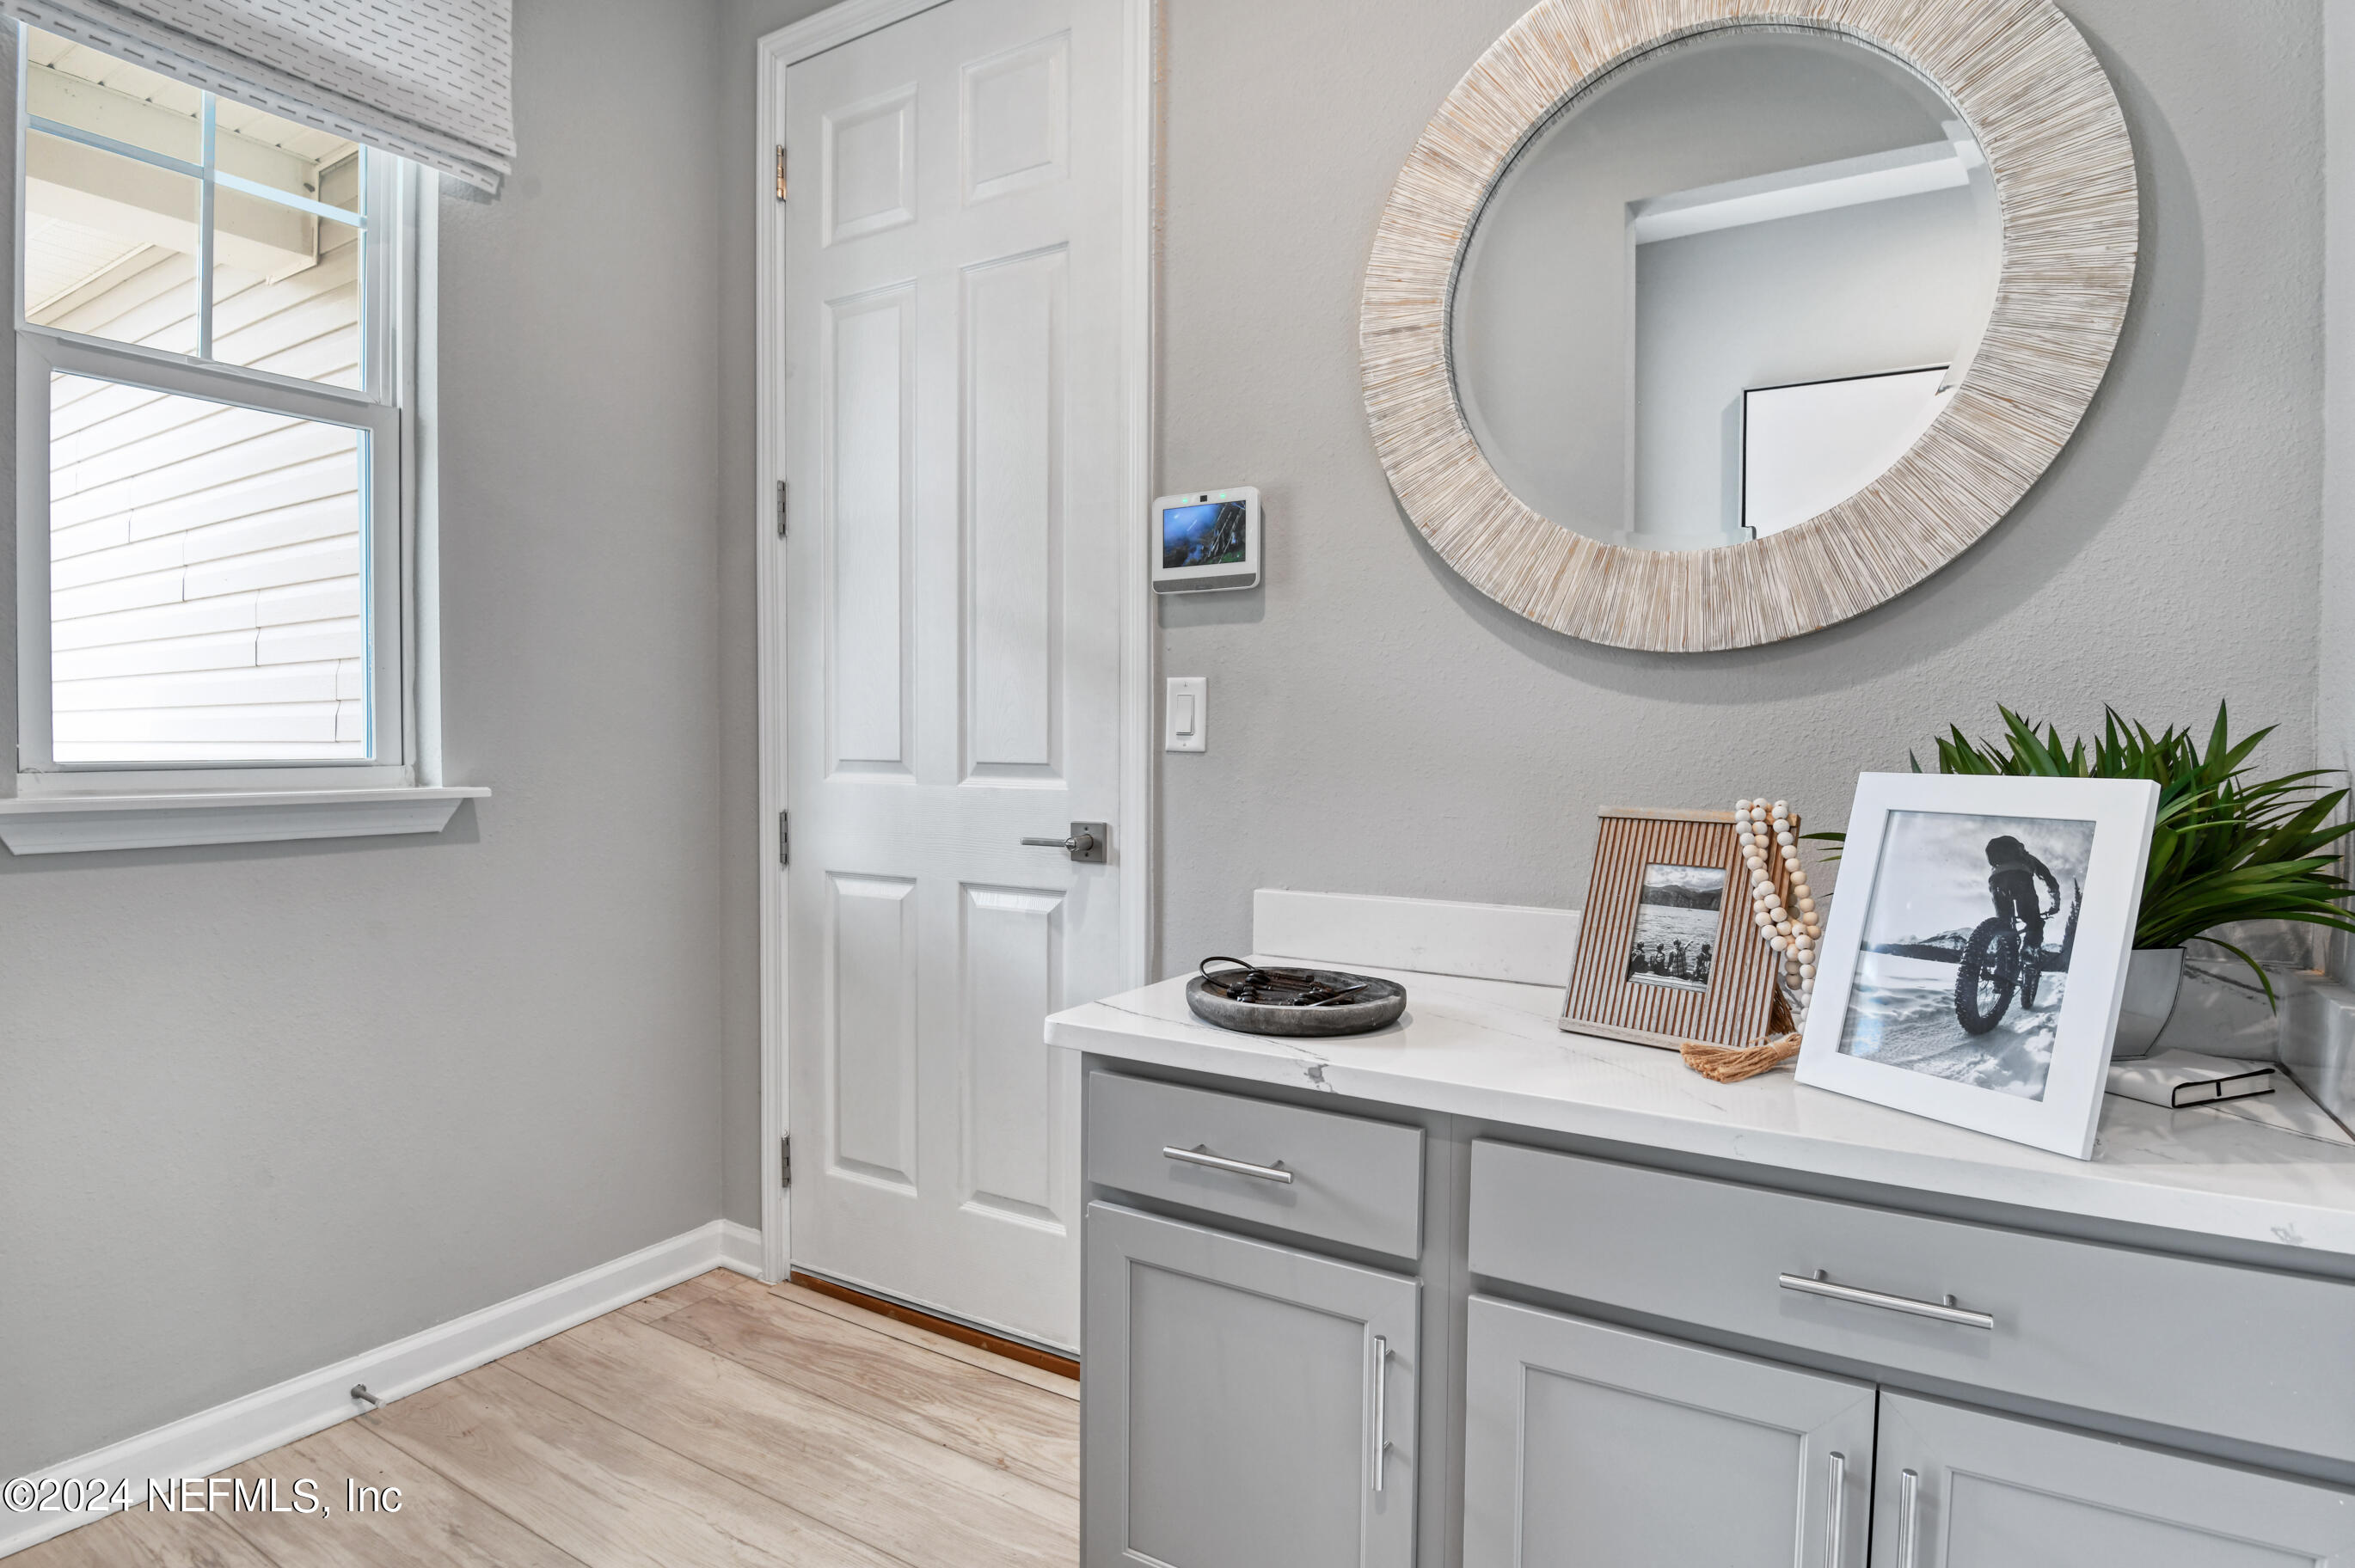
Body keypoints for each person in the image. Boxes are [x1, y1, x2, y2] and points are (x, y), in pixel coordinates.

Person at [1984, 834, 2061, 971]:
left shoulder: (1998, 862)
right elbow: (2049, 880)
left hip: (1995, 880)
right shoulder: (2029, 859)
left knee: (2004, 924)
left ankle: (2001, 969)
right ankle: (2028, 951)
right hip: (2021, 879)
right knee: (2034, 922)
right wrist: (2055, 905)